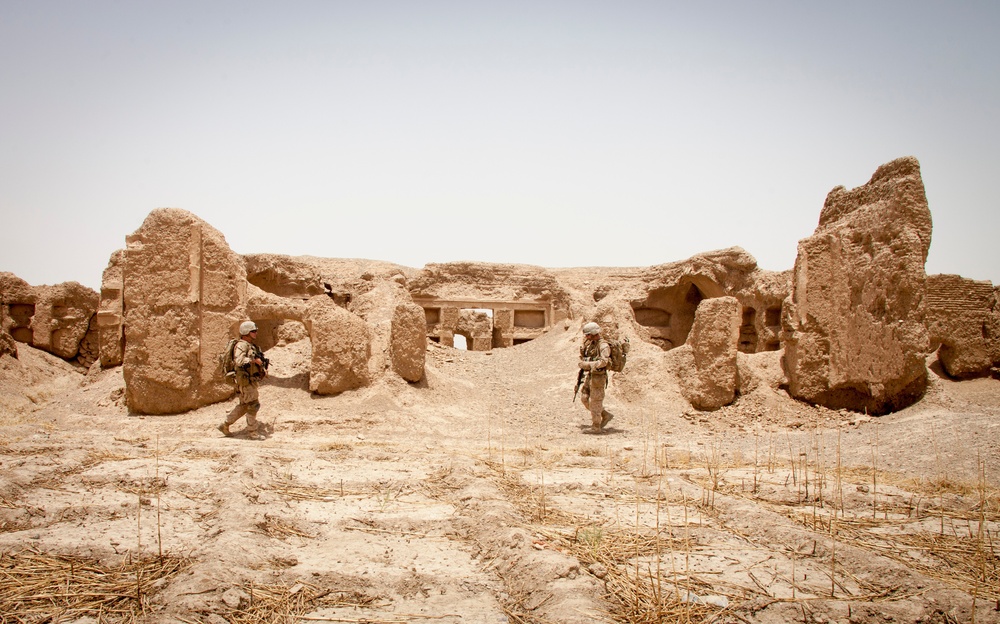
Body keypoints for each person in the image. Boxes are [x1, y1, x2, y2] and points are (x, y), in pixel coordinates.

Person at [218, 321, 268, 440]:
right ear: (246, 332)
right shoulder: (242, 345)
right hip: (245, 381)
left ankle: (224, 425)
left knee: (244, 406)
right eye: (253, 331)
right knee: (253, 405)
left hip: (248, 380)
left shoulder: (249, 345)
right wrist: (254, 360)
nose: (256, 333)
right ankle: (253, 432)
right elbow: (239, 361)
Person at [578, 321, 615, 434]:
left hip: (599, 377)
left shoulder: (603, 345)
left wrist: (588, 365)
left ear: (594, 333)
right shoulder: (592, 345)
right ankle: (605, 415)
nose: (586, 337)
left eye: (588, 334)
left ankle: (596, 426)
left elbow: (604, 361)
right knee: (584, 398)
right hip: (591, 375)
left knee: (595, 401)